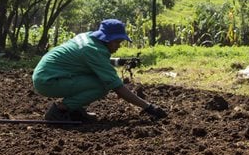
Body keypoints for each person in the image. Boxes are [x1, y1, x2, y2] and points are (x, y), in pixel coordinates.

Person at [32, 19, 167, 122]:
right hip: (48, 81)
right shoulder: (92, 50)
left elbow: (92, 61)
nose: (119, 46)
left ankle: (75, 109)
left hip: (47, 74)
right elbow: (117, 87)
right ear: (107, 39)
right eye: (117, 42)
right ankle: (60, 110)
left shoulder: (88, 37)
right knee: (102, 85)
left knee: (96, 79)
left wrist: (120, 61)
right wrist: (148, 107)